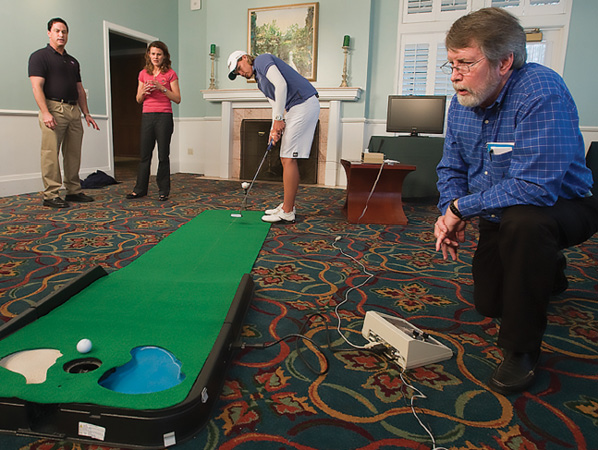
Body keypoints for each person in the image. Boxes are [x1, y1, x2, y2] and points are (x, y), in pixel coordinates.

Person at [434, 7, 598, 395]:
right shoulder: (462, 102)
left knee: (526, 225)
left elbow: (536, 187)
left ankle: (521, 350)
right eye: (451, 63)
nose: (455, 75)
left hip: (564, 205)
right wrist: (449, 209)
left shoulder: (541, 92)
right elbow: (450, 168)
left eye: (466, 63)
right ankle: (551, 269)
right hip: (497, 210)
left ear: (505, 61)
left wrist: (462, 209)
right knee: (490, 302)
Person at [227, 51, 320, 223]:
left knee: (287, 158)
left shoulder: (262, 60)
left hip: (303, 104)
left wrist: (279, 120)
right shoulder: (260, 82)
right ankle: (288, 205)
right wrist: (274, 129)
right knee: (286, 157)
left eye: (239, 68)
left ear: (245, 58)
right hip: (295, 108)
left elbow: (282, 85)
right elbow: (276, 105)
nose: (241, 73)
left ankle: (287, 211)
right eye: (237, 73)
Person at [29, 18, 100, 208]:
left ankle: (73, 191)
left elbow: (80, 90)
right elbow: (37, 87)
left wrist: (87, 113)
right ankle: (51, 194)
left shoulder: (72, 61)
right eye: (57, 31)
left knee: (73, 153)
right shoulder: (39, 57)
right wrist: (45, 112)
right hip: (53, 109)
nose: (61, 35)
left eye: (64, 32)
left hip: (73, 111)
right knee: (50, 154)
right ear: (49, 33)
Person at [126, 41, 181, 201]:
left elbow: (177, 98)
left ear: (164, 56)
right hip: (147, 116)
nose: (155, 57)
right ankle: (140, 189)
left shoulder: (171, 74)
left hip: (164, 116)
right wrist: (143, 91)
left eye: (159, 54)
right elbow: (138, 99)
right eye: (153, 54)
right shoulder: (143, 74)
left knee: (163, 155)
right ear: (148, 55)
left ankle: (163, 190)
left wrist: (161, 88)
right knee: (144, 155)